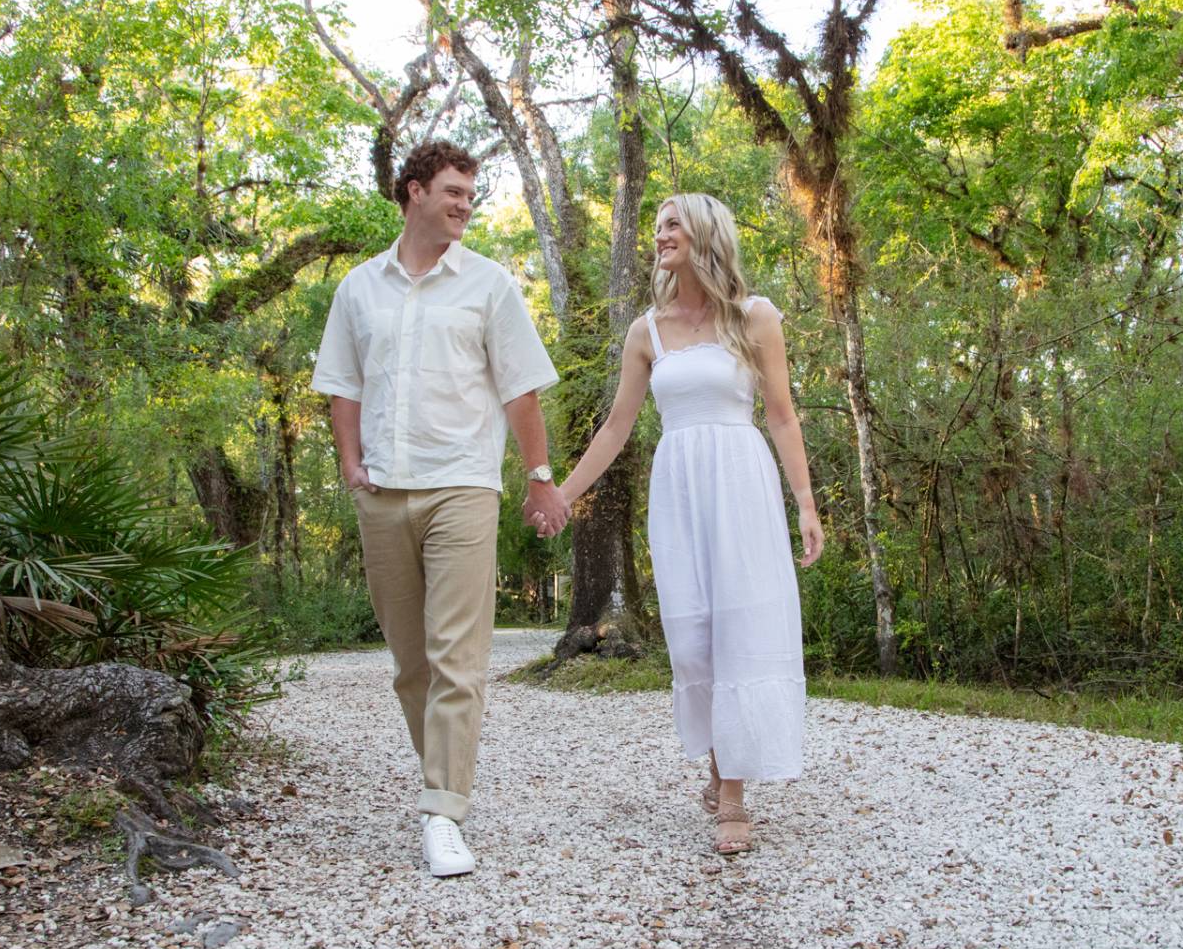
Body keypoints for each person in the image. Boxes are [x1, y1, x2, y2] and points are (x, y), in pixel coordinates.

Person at [311, 140, 566, 878]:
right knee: (411, 665)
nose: (464, 205)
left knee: (459, 658)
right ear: (413, 192)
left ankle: (443, 813)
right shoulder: (359, 288)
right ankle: (444, 783)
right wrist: (351, 465)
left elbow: (520, 389)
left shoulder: (489, 285)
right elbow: (342, 384)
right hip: (383, 493)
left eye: (470, 195)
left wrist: (539, 476)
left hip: (462, 486)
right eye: (452, 191)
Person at [557, 193, 822, 854]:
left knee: (740, 630)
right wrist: (562, 495)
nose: (659, 235)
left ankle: (731, 795)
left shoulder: (754, 317)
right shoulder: (646, 330)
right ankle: (719, 766)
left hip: (741, 483)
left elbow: (783, 416)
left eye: (671, 223)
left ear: (704, 232)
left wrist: (807, 503)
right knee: (697, 640)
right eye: (655, 226)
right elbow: (617, 426)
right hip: (679, 491)